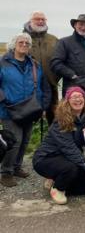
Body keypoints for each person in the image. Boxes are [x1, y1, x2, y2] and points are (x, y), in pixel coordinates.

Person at [0, 33, 51, 187]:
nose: (24, 45)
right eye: (20, 42)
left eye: (27, 43)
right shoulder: (3, 62)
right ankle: (5, 173)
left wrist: (42, 107)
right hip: (9, 110)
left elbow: (42, 87)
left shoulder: (34, 65)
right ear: (14, 44)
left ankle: (16, 167)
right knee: (13, 142)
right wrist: (4, 100)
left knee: (25, 141)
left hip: (30, 109)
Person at [33, 86, 85, 204]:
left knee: (84, 188)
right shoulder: (60, 121)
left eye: (80, 96)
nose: (78, 99)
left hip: (66, 158)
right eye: (74, 97)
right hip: (46, 158)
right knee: (71, 168)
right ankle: (58, 189)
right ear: (67, 101)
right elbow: (69, 148)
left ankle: (55, 179)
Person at [50, 14, 85, 117]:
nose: (84, 27)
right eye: (81, 24)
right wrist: (72, 75)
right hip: (72, 93)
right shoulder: (64, 42)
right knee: (69, 123)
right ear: (75, 25)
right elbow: (55, 63)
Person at [23, 11, 59, 125]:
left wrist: (55, 77)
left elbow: (60, 60)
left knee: (54, 117)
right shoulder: (23, 39)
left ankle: (53, 141)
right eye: (37, 19)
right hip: (29, 86)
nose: (40, 21)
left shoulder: (53, 39)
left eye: (43, 19)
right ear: (30, 21)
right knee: (28, 116)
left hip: (51, 85)